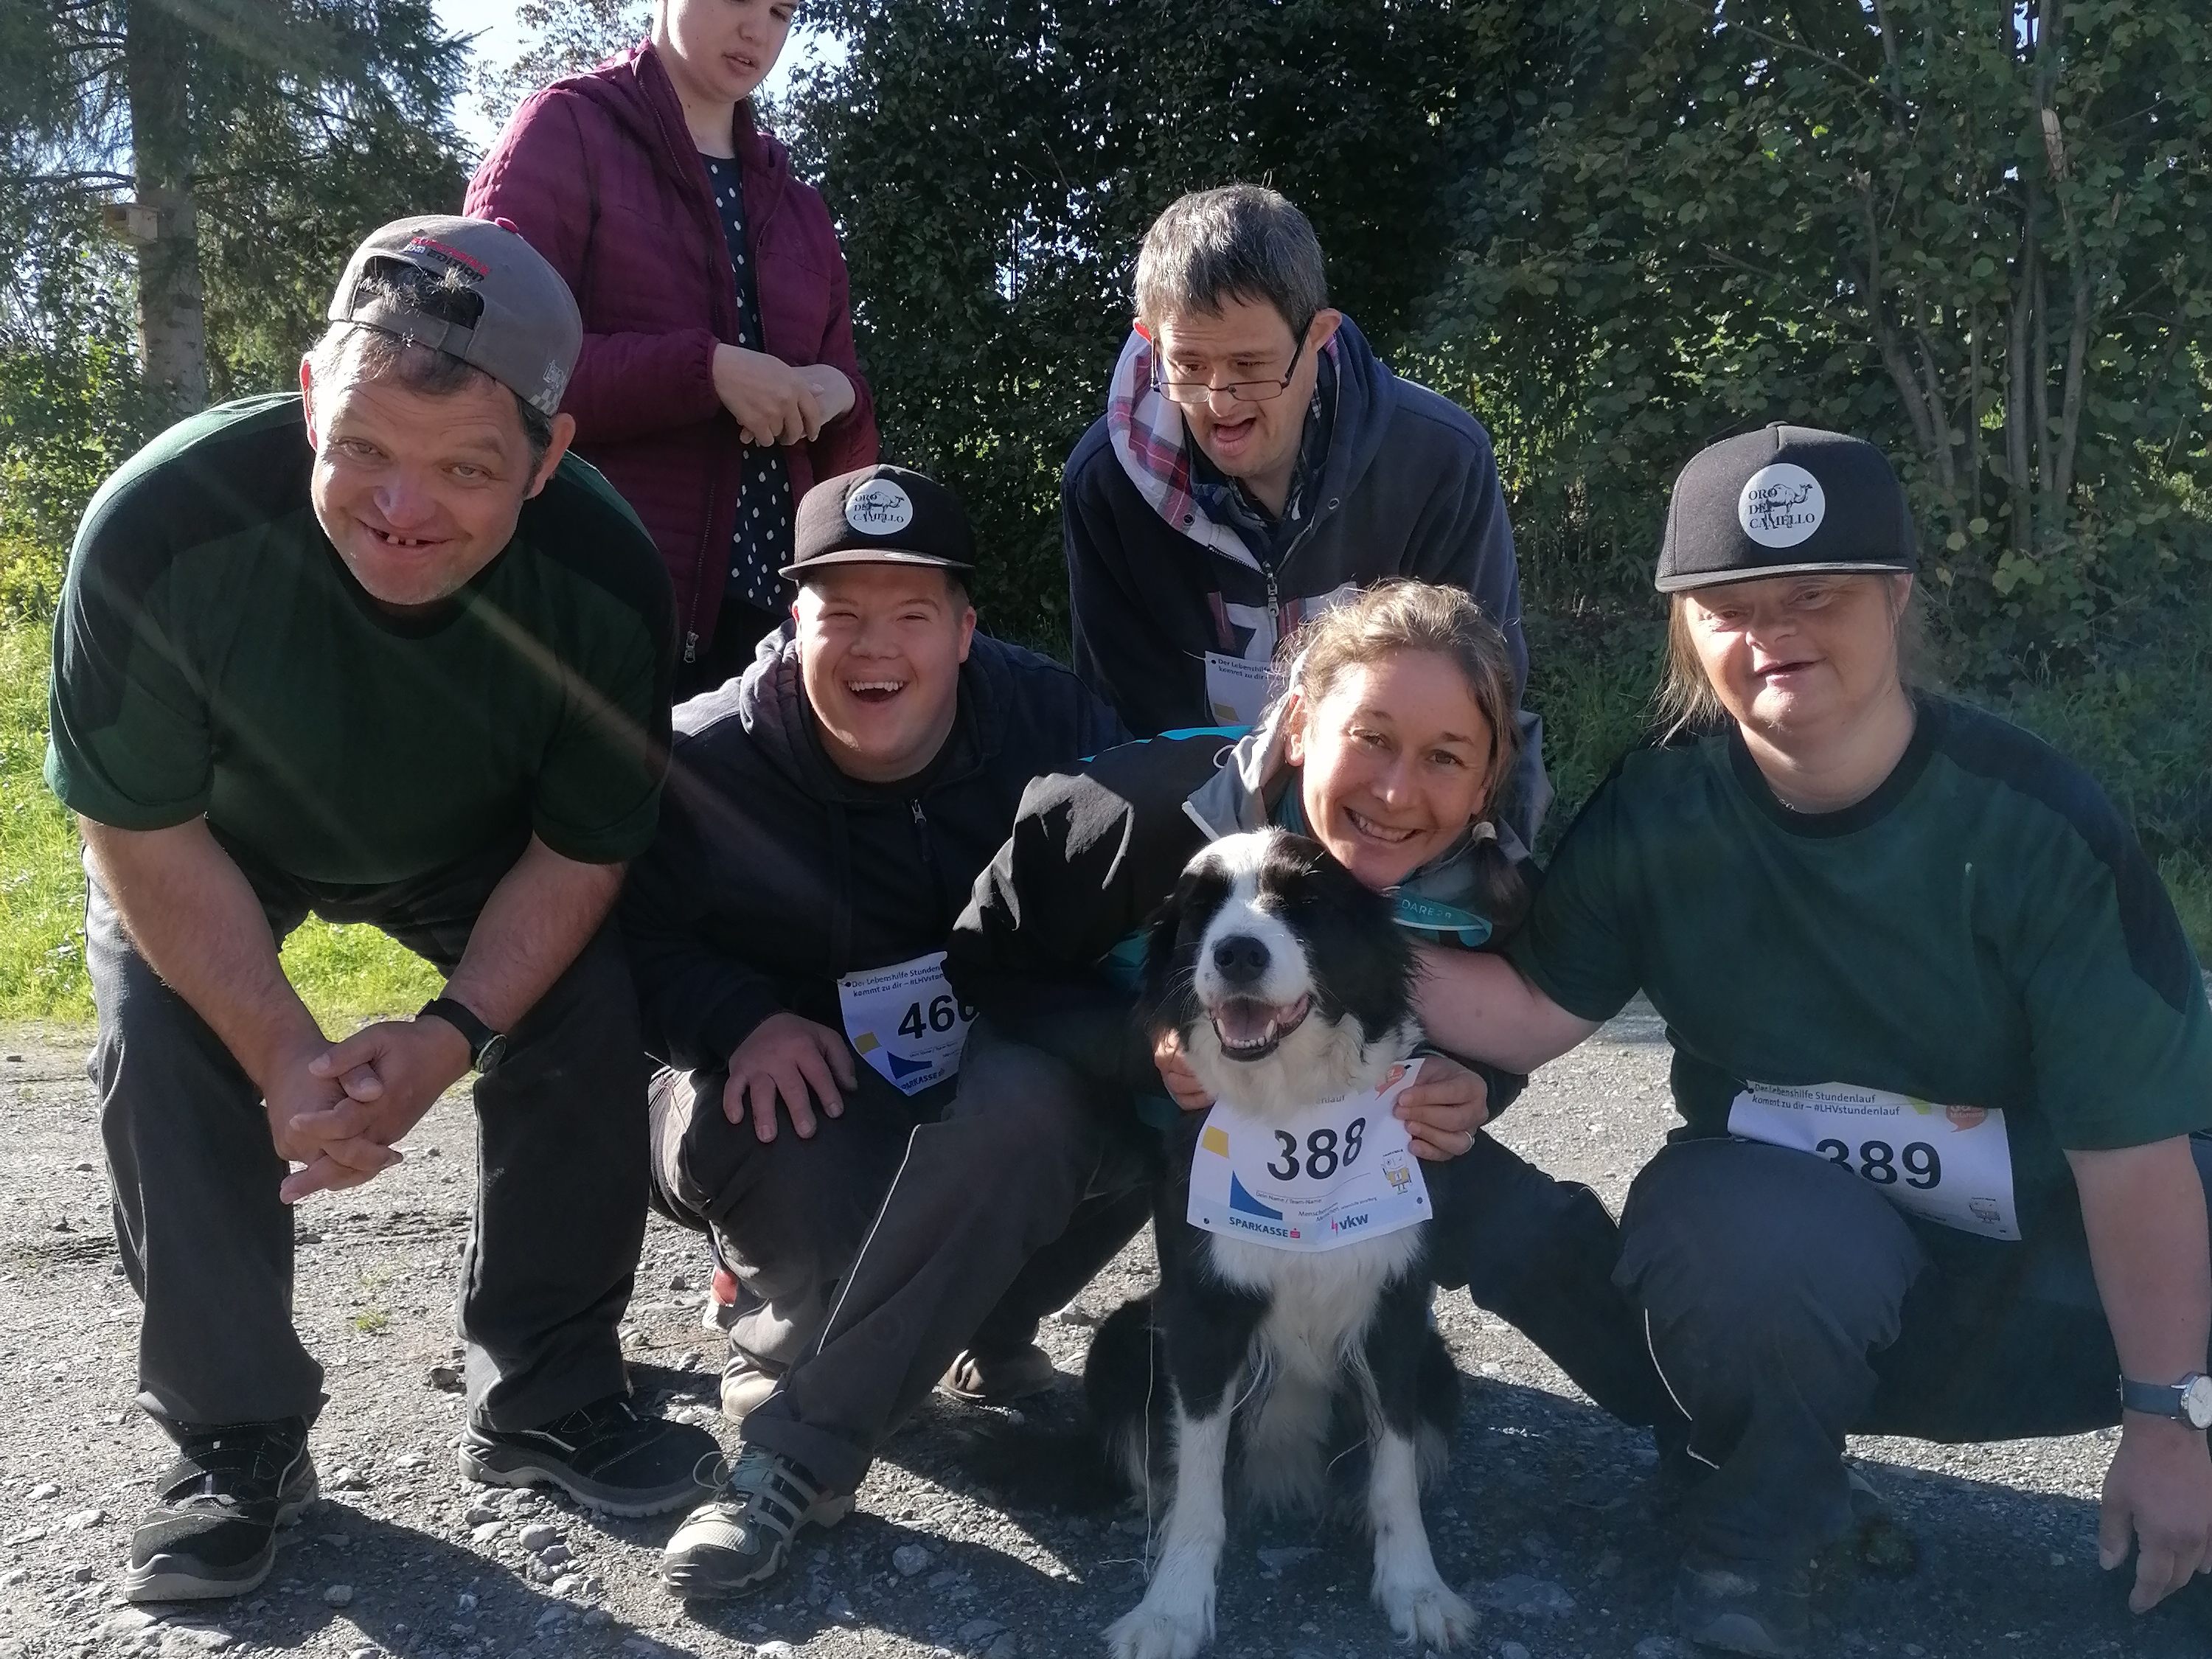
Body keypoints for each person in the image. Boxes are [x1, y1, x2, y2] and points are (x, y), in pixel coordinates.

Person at [1413, 425, 2212, 1655]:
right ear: (1685, 627)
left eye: (1816, 595)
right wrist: (1306, 912)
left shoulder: (2033, 825)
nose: (1773, 631)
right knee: (1720, 1227)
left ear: (1895, 600)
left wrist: (2169, 1418)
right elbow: (1526, 1014)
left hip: (2060, 1288)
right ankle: (1764, 1519)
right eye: (1729, 605)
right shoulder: (1660, 807)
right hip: (1809, 1280)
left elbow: (2137, 1159)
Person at [43, 217, 723, 1604]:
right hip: (219, 838)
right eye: (359, 448)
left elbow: (583, 851)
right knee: (163, 1018)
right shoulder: (159, 524)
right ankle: (234, 1440)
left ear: (546, 456)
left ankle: (547, 1392)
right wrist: (285, 1054)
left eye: (467, 467)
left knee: (584, 1002)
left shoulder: (606, 580)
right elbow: (136, 827)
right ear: (307, 397)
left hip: (477, 844)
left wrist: (454, 1030)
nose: (401, 508)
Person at [951, 580, 1678, 1450]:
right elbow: (986, 956)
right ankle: (919, 1357)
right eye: (1370, 739)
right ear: (1299, 724)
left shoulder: (1491, 893)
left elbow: (1502, 1037)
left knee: (1522, 1222)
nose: (1398, 793)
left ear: (1490, 780)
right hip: (1122, 1111)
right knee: (1014, 1129)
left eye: (1446, 757)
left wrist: (1474, 1084)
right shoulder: (1143, 806)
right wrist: (1140, 1045)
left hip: (1334, 1130)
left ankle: (1712, 1424)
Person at [630, 465, 1150, 1599]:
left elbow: (1148, 893)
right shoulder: (700, 757)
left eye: (912, 614)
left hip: (986, 1084)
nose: (878, 650)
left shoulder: (1057, 724)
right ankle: (790, 1389)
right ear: (793, 621)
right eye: (842, 613)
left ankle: (955, 1330)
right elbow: (617, 944)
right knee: (795, 1120)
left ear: (966, 631)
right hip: (774, 1093)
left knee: (1112, 1101)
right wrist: (738, 1019)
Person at [1060, 184, 1547, 847]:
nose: (1218, 401)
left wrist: (1497, 884)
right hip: (1200, 817)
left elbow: (1486, 702)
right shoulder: (1104, 484)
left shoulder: (1441, 459)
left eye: (1250, 365)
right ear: (1149, 345)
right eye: (1188, 365)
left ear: (1317, 337)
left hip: (1392, 811)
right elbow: (1124, 718)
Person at [468, 0, 877, 698]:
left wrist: (843, 399)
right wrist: (705, 372)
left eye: (781, 12)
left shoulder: (801, 209)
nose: (758, 31)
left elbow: (849, 442)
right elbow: (486, 364)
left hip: (777, 632)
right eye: (739, 2)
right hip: (590, 603)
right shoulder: (566, 130)